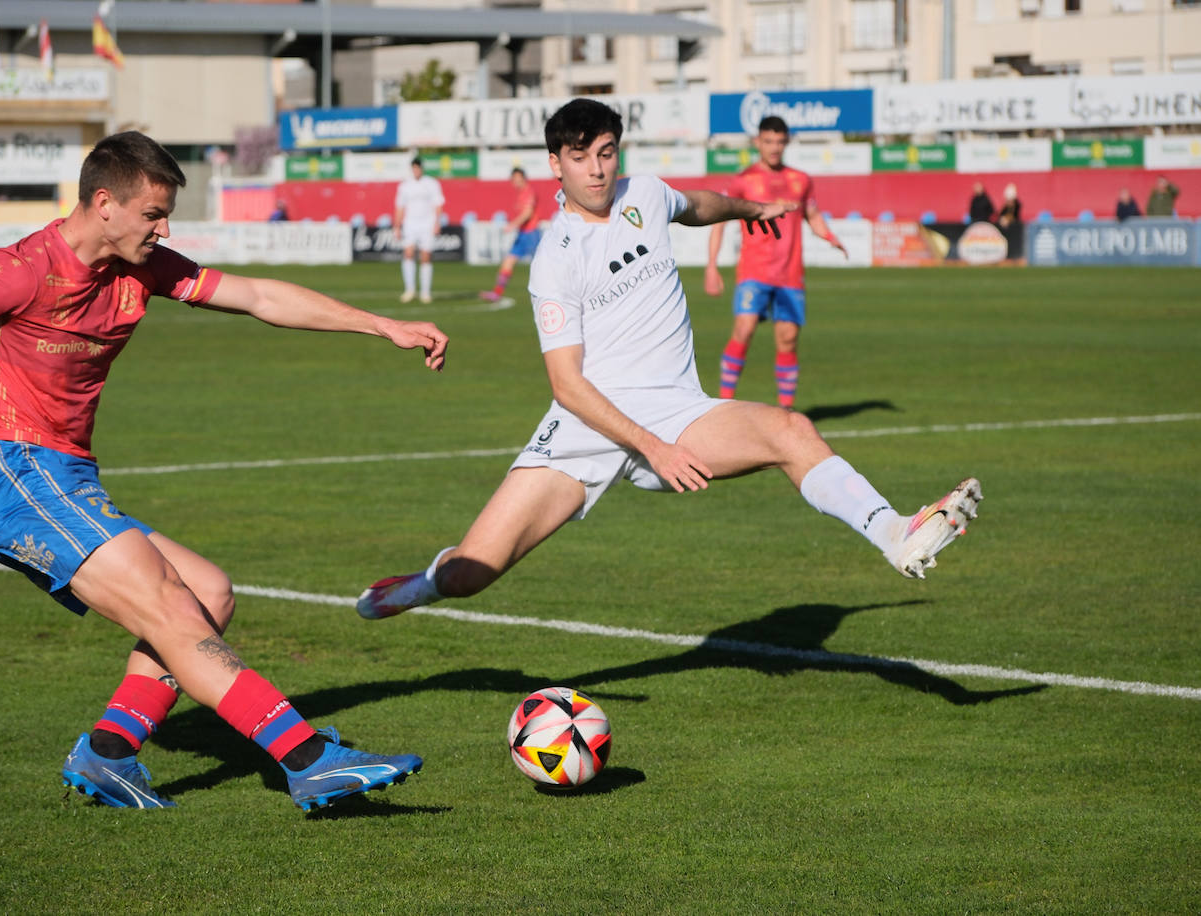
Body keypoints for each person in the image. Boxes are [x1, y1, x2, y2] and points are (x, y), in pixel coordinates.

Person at [0, 132, 447, 813]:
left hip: (65, 476)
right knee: (171, 606)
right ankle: (307, 759)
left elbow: (261, 297)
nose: (164, 228)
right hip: (10, 469)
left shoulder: (140, 267)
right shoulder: (25, 268)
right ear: (104, 205)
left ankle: (110, 753)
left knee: (207, 591)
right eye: (153, 214)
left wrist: (381, 324)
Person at [355, 98, 981, 626]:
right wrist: (652, 448)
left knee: (793, 430)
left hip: (679, 408)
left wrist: (748, 209)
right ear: (556, 164)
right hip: (585, 427)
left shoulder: (645, 195)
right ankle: (420, 585)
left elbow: (697, 204)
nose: (596, 171)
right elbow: (568, 386)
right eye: (579, 158)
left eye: (606, 153)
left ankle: (894, 533)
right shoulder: (555, 259)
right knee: (472, 574)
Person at [702, 115, 847, 407]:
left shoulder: (801, 180)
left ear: (787, 142)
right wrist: (711, 266)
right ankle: (724, 406)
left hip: (790, 274)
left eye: (780, 141)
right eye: (768, 141)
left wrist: (831, 238)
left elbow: (813, 216)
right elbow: (719, 222)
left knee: (788, 339)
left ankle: (786, 411)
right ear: (758, 142)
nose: (774, 147)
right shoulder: (744, 181)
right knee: (743, 331)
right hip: (754, 271)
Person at [481, 167, 541, 303]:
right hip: (523, 233)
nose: (516, 182)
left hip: (531, 234)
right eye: (514, 180)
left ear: (524, 179)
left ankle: (550, 291)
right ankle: (497, 293)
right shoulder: (522, 193)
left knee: (541, 266)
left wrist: (512, 225)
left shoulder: (528, 192)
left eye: (518, 179)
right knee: (508, 261)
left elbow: (528, 213)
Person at [395, 156, 445, 304]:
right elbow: (399, 207)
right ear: (412, 169)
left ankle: (425, 292)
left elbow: (438, 204)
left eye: (418, 168)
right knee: (408, 254)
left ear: (422, 169)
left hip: (427, 223)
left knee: (425, 256)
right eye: (414, 168)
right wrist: (397, 226)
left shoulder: (431, 183)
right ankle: (409, 290)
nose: (416, 170)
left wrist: (437, 222)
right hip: (410, 223)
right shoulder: (405, 186)